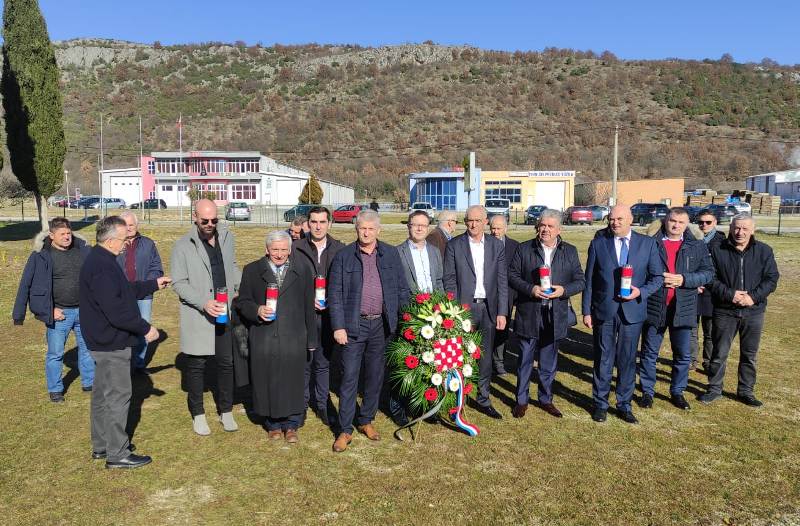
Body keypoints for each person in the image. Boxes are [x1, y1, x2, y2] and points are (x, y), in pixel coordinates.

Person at [79, 216, 170, 469]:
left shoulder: (101, 260)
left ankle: (101, 445)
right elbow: (117, 310)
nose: (126, 244)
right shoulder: (102, 266)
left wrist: (152, 284)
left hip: (102, 341)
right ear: (110, 241)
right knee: (118, 396)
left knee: (102, 395)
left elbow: (123, 290)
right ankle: (117, 453)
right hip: (111, 343)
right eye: (123, 240)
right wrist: (146, 328)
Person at [328, 209, 410, 452]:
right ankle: (345, 430)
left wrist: (404, 321)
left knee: (375, 376)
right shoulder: (344, 256)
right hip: (354, 325)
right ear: (356, 229)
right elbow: (335, 294)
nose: (366, 233)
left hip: (381, 325)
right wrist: (338, 326)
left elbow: (401, 289)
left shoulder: (391, 254)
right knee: (349, 377)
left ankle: (366, 420)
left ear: (378, 230)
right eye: (362, 228)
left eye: (370, 229)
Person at [582, 204, 663, 424]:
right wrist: (586, 311)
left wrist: (641, 292)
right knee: (603, 359)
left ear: (630, 220)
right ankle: (600, 404)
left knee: (627, 360)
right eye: (611, 219)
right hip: (604, 310)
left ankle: (624, 405)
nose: (614, 223)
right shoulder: (598, 244)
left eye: (619, 219)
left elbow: (657, 277)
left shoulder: (647, 244)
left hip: (632, 312)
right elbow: (589, 280)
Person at [237, 231, 318, 443]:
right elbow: (242, 302)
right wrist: (257, 310)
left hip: (294, 336)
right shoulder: (252, 270)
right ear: (267, 249)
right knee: (267, 380)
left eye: (283, 250)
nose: (279, 254)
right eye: (275, 250)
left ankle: (292, 424)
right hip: (264, 335)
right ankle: (272, 423)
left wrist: (311, 339)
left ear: (290, 250)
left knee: (293, 380)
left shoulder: (302, 269)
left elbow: (309, 307)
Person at [171, 199, 241, 435]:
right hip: (199, 314)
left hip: (224, 312)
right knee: (197, 366)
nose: (210, 224)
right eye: (205, 220)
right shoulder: (182, 246)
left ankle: (226, 411)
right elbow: (179, 283)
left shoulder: (227, 237)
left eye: (214, 220)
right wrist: (203, 303)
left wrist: (243, 287)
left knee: (226, 363)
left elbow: (231, 267)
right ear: (195, 217)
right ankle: (198, 414)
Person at [509, 210, 584, 418]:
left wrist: (564, 291)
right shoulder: (524, 248)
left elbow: (580, 280)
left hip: (555, 313)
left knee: (548, 362)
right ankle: (521, 401)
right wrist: (530, 289)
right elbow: (512, 276)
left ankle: (545, 399)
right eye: (542, 225)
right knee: (525, 359)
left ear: (559, 229)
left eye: (550, 226)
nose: (545, 229)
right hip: (529, 312)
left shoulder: (570, 251)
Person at [638, 208, 714, 411]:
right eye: (672, 221)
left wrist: (684, 279)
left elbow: (708, 273)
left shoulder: (696, 245)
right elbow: (639, 270)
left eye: (681, 222)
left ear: (687, 224)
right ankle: (647, 391)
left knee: (682, 354)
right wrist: (655, 280)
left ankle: (677, 391)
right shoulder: (650, 242)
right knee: (649, 352)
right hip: (655, 305)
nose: (676, 225)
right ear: (666, 221)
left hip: (684, 307)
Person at [700, 214, 779, 407]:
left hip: (754, 311)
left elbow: (771, 279)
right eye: (736, 227)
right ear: (730, 228)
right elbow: (710, 278)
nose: (740, 232)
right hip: (725, 310)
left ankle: (745, 391)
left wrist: (753, 297)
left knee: (749, 355)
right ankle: (714, 389)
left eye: (744, 228)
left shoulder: (764, 251)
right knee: (719, 353)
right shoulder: (717, 250)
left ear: (752, 230)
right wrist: (730, 294)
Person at [13, 217, 94, 402]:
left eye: (69, 233)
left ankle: (89, 383)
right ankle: (55, 389)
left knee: (88, 349)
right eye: (62, 234)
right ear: (51, 235)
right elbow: (26, 285)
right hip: (59, 314)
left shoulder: (83, 251)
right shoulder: (40, 256)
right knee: (55, 354)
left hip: (85, 311)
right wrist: (42, 312)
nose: (67, 237)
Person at [443, 205, 508, 419]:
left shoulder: (496, 246)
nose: (473, 224)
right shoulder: (454, 245)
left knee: (485, 356)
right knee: (460, 356)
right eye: (469, 220)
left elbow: (502, 280)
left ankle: (483, 399)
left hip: (489, 309)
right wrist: (455, 310)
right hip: (464, 309)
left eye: (477, 220)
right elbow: (449, 279)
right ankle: (457, 399)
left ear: (485, 222)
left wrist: (502, 312)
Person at [293, 206, 345, 425]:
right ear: (308, 224)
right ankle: (301, 405)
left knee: (323, 362)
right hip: (302, 315)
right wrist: (306, 300)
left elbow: (343, 283)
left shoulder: (340, 249)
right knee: (304, 362)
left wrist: (332, 303)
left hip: (328, 315)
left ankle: (323, 404)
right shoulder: (296, 248)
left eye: (322, 222)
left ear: (329, 224)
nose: (318, 226)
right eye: (313, 222)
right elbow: (290, 282)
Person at [116, 211, 164, 374]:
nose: (129, 228)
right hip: (121, 294)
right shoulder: (114, 244)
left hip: (144, 295)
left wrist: (147, 283)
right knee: (123, 329)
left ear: (137, 225)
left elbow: (156, 267)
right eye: (125, 225)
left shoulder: (148, 244)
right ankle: (123, 364)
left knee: (143, 328)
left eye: (131, 225)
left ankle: (138, 364)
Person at [690, 210, 726, 371]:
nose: (704, 225)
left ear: (715, 223)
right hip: (693, 290)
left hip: (712, 292)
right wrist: (693, 283)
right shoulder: (691, 239)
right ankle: (690, 360)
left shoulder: (722, 242)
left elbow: (722, 269)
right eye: (701, 222)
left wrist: (708, 284)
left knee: (710, 331)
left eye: (708, 222)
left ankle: (709, 361)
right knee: (691, 329)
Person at [489, 214, 519, 376]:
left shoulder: (515, 246)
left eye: (499, 228)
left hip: (507, 294)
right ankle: (484, 361)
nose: (495, 231)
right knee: (487, 328)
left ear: (506, 229)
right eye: (493, 228)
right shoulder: (484, 243)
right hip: (487, 294)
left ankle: (499, 362)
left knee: (503, 328)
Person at [397, 210, 444, 293]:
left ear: (428, 228)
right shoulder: (397, 252)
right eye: (415, 225)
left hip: (434, 299)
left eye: (423, 225)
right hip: (409, 300)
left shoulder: (435, 251)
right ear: (408, 226)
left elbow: (439, 280)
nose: (419, 229)